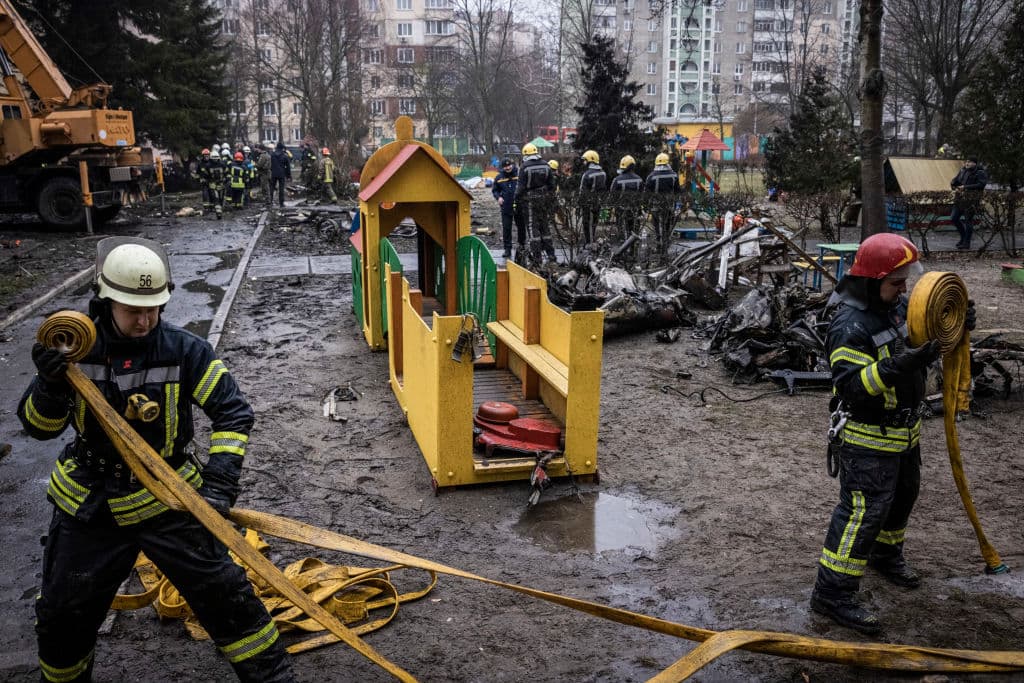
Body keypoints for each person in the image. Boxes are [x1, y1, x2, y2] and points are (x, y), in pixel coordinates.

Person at [19, 237, 295, 682]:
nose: (146, 320)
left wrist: (219, 487)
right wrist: (50, 385)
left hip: (169, 498)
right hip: (90, 504)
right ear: (105, 300)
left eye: (154, 308)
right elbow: (39, 428)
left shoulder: (185, 350)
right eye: (133, 310)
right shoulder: (72, 351)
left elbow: (232, 413)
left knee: (229, 600)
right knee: (62, 616)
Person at [810, 232, 976, 635]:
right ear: (872, 280)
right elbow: (850, 385)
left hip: (905, 433)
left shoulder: (896, 307)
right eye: (896, 282)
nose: (904, 289)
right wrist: (898, 367)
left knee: (901, 499)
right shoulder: (849, 325)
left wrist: (955, 323)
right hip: (869, 437)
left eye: (905, 281)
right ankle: (831, 594)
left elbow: (927, 339)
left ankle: (886, 555)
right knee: (861, 515)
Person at [513, 142, 557, 263]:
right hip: (544, 200)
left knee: (533, 228)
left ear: (525, 154)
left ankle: (537, 258)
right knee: (545, 227)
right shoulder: (546, 165)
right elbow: (552, 185)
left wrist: (515, 201)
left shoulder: (524, 167)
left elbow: (520, 187)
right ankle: (551, 254)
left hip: (530, 201)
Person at [644, 152, 681, 249]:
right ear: (667, 163)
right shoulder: (674, 175)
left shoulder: (651, 176)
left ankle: (658, 241)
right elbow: (678, 192)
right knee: (667, 223)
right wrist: (678, 205)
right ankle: (666, 240)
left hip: (656, 206)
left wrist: (646, 206)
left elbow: (646, 193)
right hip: (669, 205)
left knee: (656, 224)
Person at [950, 157, 988, 250]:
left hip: (971, 200)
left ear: (975, 163)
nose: (967, 163)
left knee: (968, 221)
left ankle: (967, 243)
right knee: (954, 218)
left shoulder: (980, 172)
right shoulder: (963, 170)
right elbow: (957, 180)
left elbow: (981, 185)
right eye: (966, 161)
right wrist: (953, 183)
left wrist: (965, 187)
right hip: (960, 199)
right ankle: (963, 238)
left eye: (969, 162)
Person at [608, 154, 643, 239]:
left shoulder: (617, 180)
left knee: (623, 232)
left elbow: (612, 195)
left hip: (621, 210)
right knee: (635, 232)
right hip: (635, 210)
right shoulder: (639, 179)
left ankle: (624, 248)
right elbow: (642, 196)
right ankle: (634, 249)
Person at [492, 157, 520, 258]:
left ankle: (522, 248)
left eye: (509, 165)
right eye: (505, 166)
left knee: (521, 228)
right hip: (506, 207)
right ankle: (507, 249)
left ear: (512, 165)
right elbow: (495, 190)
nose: (508, 168)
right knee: (506, 229)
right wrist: (498, 197)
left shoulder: (519, 175)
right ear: (503, 167)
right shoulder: (499, 177)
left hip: (519, 206)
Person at [578, 149, 607, 245]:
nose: (584, 162)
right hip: (597, 203)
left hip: (588, 204)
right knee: (594, 224)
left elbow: (582, 191)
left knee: (587, 225)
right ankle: (591, 243)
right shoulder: (603, 173)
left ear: (591, 160)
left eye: (585, 160)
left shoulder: (587, 174)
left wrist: (579, 204)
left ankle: (590, 245)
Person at [270, 142, 291, 208]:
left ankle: (270, 201)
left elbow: (269, 164)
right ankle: (281, 203)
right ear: (282, 148)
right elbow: (288, 167)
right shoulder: (285, 155)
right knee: (281, 189)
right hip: (282, 174)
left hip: (273, 173)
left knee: (272, 188)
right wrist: (288, 176)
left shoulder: (272, 155)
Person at [256, 143, 272, 207]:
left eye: (258, 149)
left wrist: (255, 165)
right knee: (267, 187)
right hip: (267, 173)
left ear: (260, 149)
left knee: (265, 187)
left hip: (263, 173)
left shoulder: (262, 156)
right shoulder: (268, 155)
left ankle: (267, 201)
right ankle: (268, 200)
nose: (257, 150)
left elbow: (260, 165)